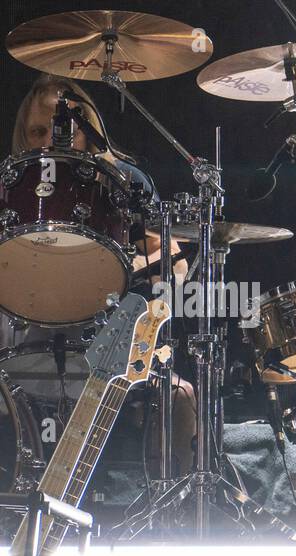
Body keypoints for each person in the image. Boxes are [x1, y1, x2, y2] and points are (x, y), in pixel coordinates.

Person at [7, 73, 195, 478]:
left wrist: (124, 277)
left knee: (182, 396)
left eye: (62, 129)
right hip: (25, 342)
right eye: (38, 131)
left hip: (109, 343)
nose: (48, 140)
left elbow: (176, 266)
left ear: (87, 127)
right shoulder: (12, 186)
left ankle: (170, 519)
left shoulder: (125, 181)